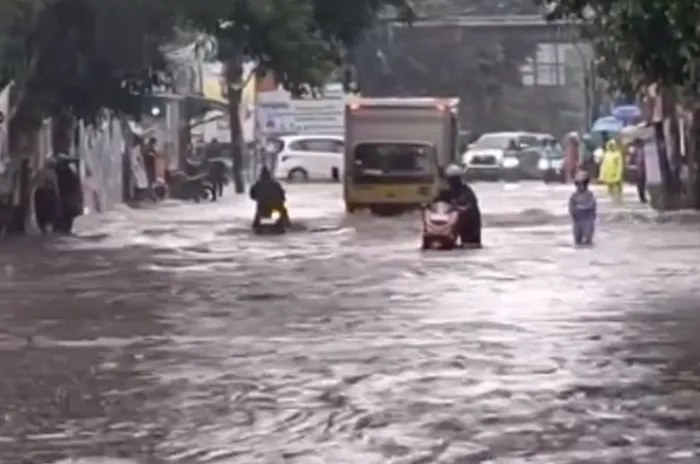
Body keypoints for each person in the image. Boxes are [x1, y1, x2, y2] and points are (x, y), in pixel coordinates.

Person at [434, 163, 482, 247]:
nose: (453, 181)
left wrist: (459, 208)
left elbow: (470, 206)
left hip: (469, 222)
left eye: (455, 179)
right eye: (451, 179)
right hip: (451, 222)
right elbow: (436, 202)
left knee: (471, 244)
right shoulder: (446, 191)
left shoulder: (466, 191)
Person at [568, 170, 596, 245]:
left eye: (582, 184)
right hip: (577, 222)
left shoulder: (590, 195)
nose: (580, 186)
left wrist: (581, 207)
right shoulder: (574, 196)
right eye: (578, 184)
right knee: (577, 241)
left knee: (587, 241)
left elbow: (592, 207)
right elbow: (571, 208)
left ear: (586, 184)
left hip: (587, 222)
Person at [631, 138, 646, 203]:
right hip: (640, 170)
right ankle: (642, 197)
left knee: (641, 184)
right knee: (641, 184)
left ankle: (642, 197)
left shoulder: (637, 151)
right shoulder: (638, 151)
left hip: (640, 170)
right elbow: (632, 161)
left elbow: (631, 161)